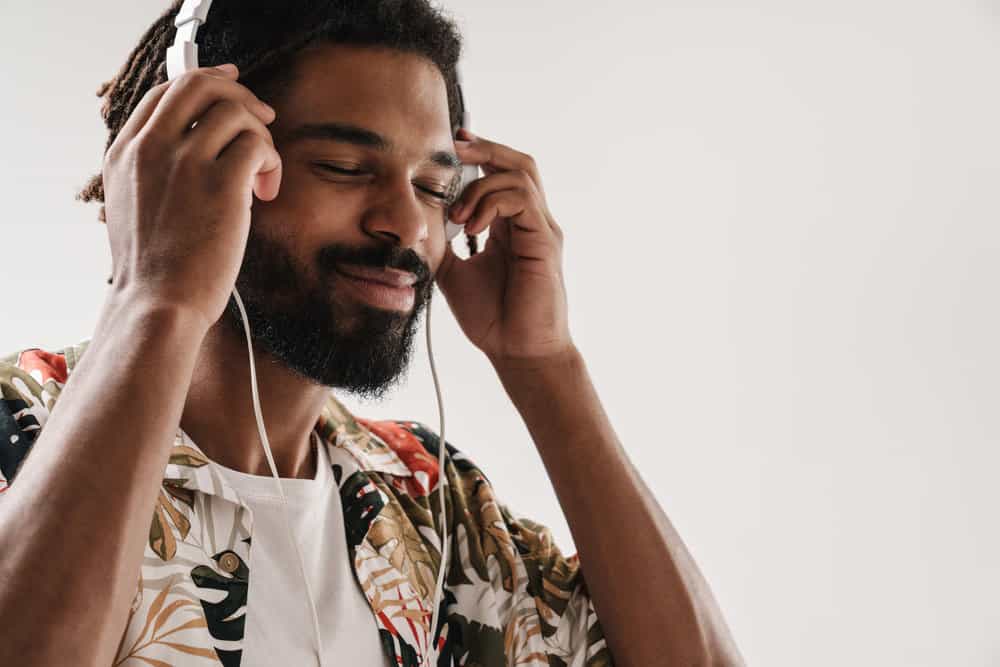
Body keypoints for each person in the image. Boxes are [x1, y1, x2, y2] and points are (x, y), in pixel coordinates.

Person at [0, 1, 744, 665]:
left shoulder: (426, 498)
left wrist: (546, 365)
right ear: (191, 155)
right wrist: (153, 299)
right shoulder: (22, 424)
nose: (409, 224)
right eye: (346, 166)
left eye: (433, 186)